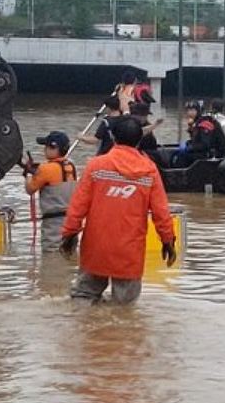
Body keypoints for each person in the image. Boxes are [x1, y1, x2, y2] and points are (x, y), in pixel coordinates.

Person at [60, 116, 178, 304]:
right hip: (129, 251)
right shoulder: (149, 171)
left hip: (96, 246)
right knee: (124, 308)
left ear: (114, 138)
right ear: (139, 140)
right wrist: (167, 241)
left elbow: (78, 206)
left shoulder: (96, 166)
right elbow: (161, 212)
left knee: (83, 298)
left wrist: (69, 234)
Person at [24, 131, 78, 251]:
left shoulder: (45, 168)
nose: (44, 150)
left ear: (54, 148)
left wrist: (28, 174)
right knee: (69, 254)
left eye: (47, 147)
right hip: (71, 221)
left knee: (52, 255)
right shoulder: (71, 167)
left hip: (54, 224)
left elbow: (30, 189)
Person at [171, 100, 218, 168]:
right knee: (174, 155)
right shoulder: (196, 123)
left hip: (204, 155)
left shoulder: (204, 124)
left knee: (181, 158)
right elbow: (195, 140)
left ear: (198, 111)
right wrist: (188, 143)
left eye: (193, 111)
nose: (190, 113)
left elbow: (205, 145)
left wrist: (190, 148)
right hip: (198, 152)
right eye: (188, 110)